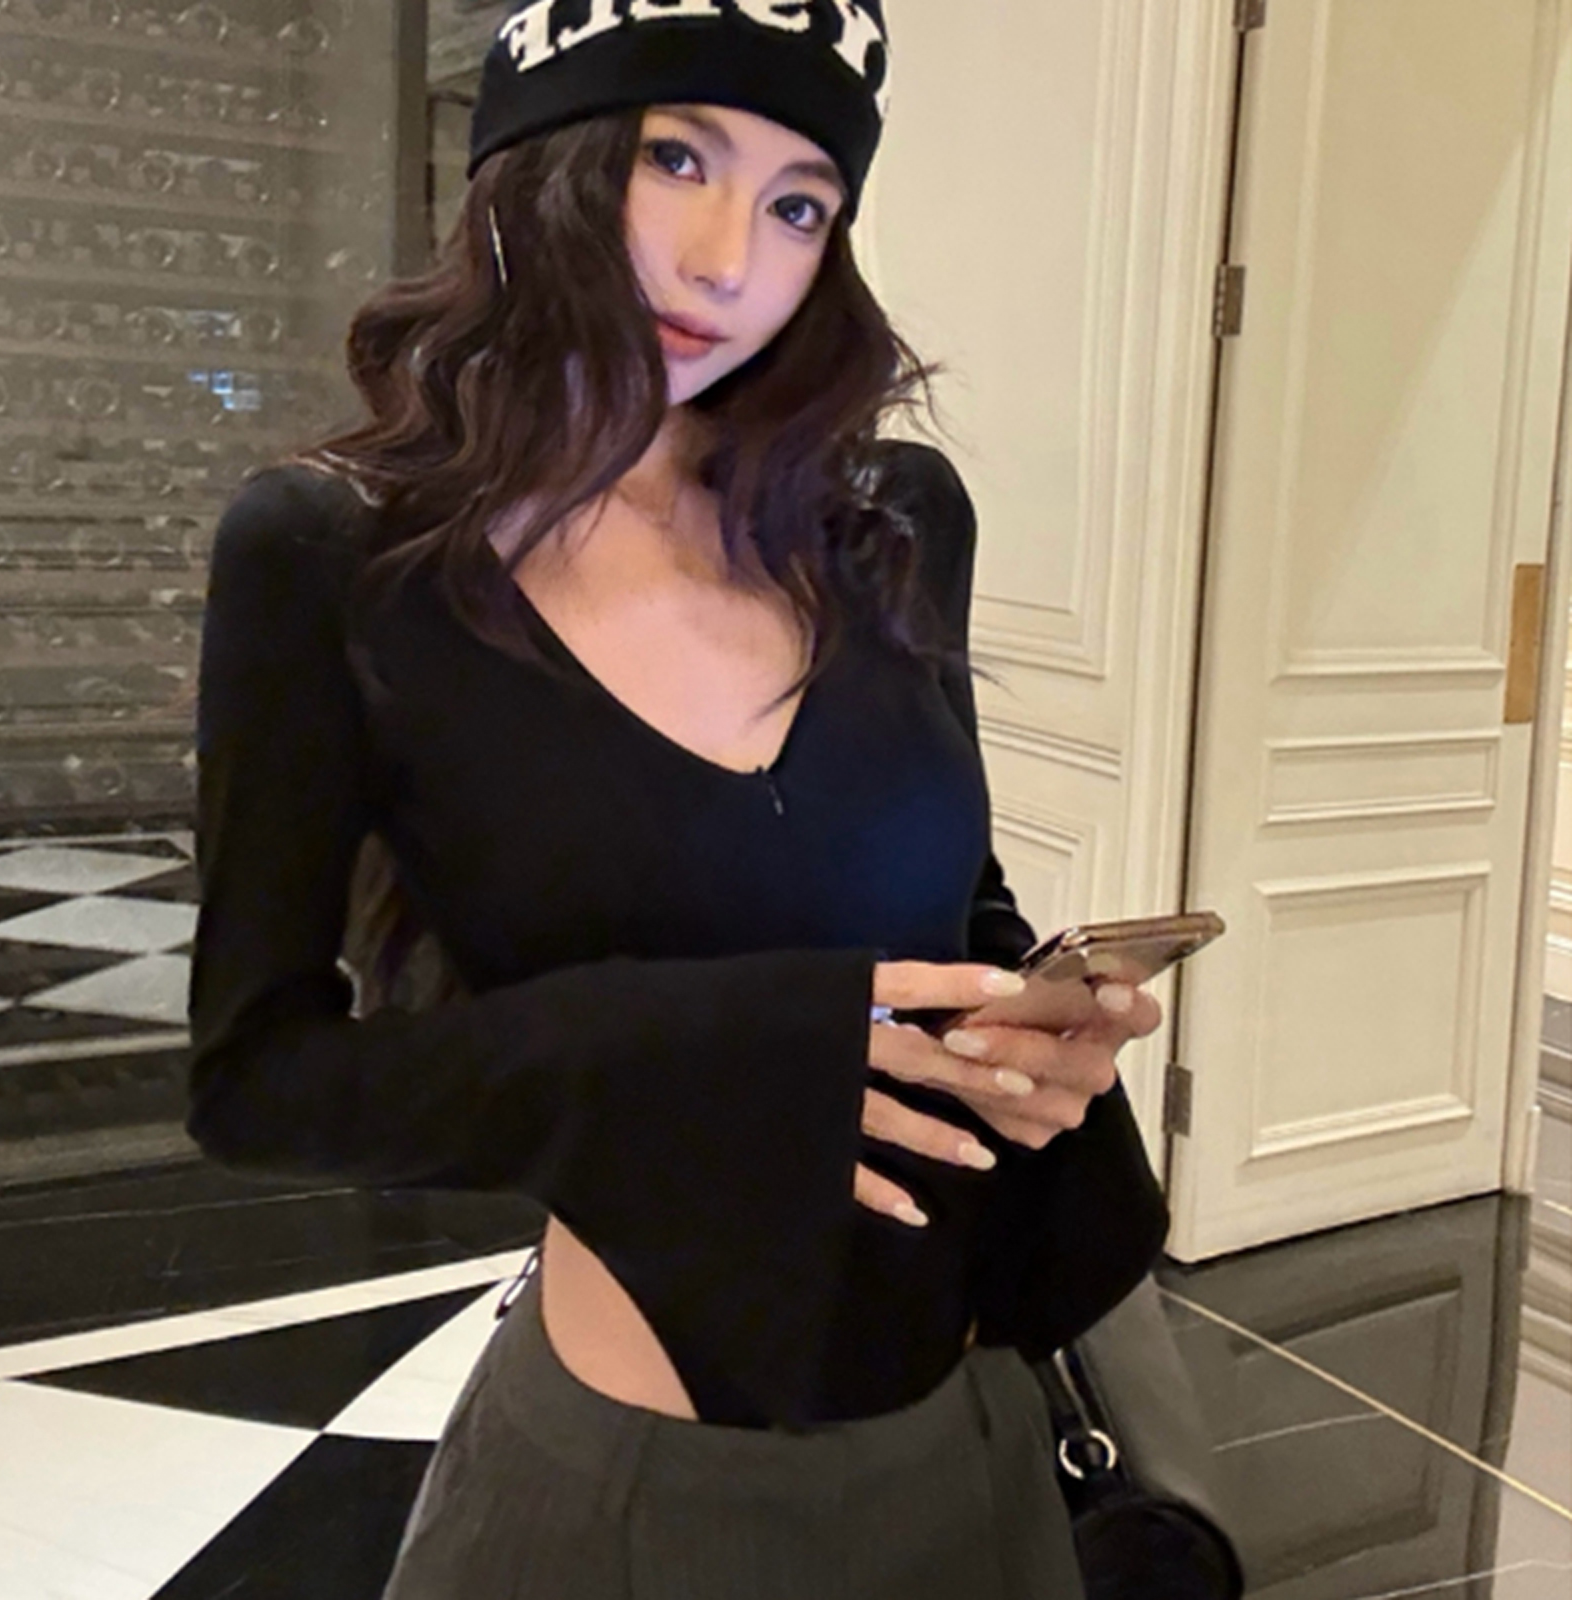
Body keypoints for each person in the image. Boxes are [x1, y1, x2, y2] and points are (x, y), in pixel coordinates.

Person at [186, 2, 1171, 1594]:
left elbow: (954, 907)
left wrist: (1032, 1027)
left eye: (801, 204)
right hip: (638, 1486)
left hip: (973, 1427)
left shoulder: (888, 521)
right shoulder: (337, 557)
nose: (730, 265)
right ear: (538, 163)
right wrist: (697, 1053)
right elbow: (257, 1083)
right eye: (677, 160)